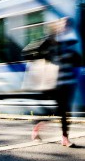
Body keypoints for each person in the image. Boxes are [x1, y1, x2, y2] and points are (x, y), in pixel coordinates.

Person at [30, 18, 81, 147]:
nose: (66, 27)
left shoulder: (71, 40)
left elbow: (77, 58)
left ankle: (65, 138)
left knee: (65, 112)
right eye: (64, 24)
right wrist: (51, 38)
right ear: (59, 26)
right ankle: (36, 129)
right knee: (52, 111)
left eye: (68, 24)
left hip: (68, 83)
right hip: (53, 84)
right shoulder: (51, 41)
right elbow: (40, 52)